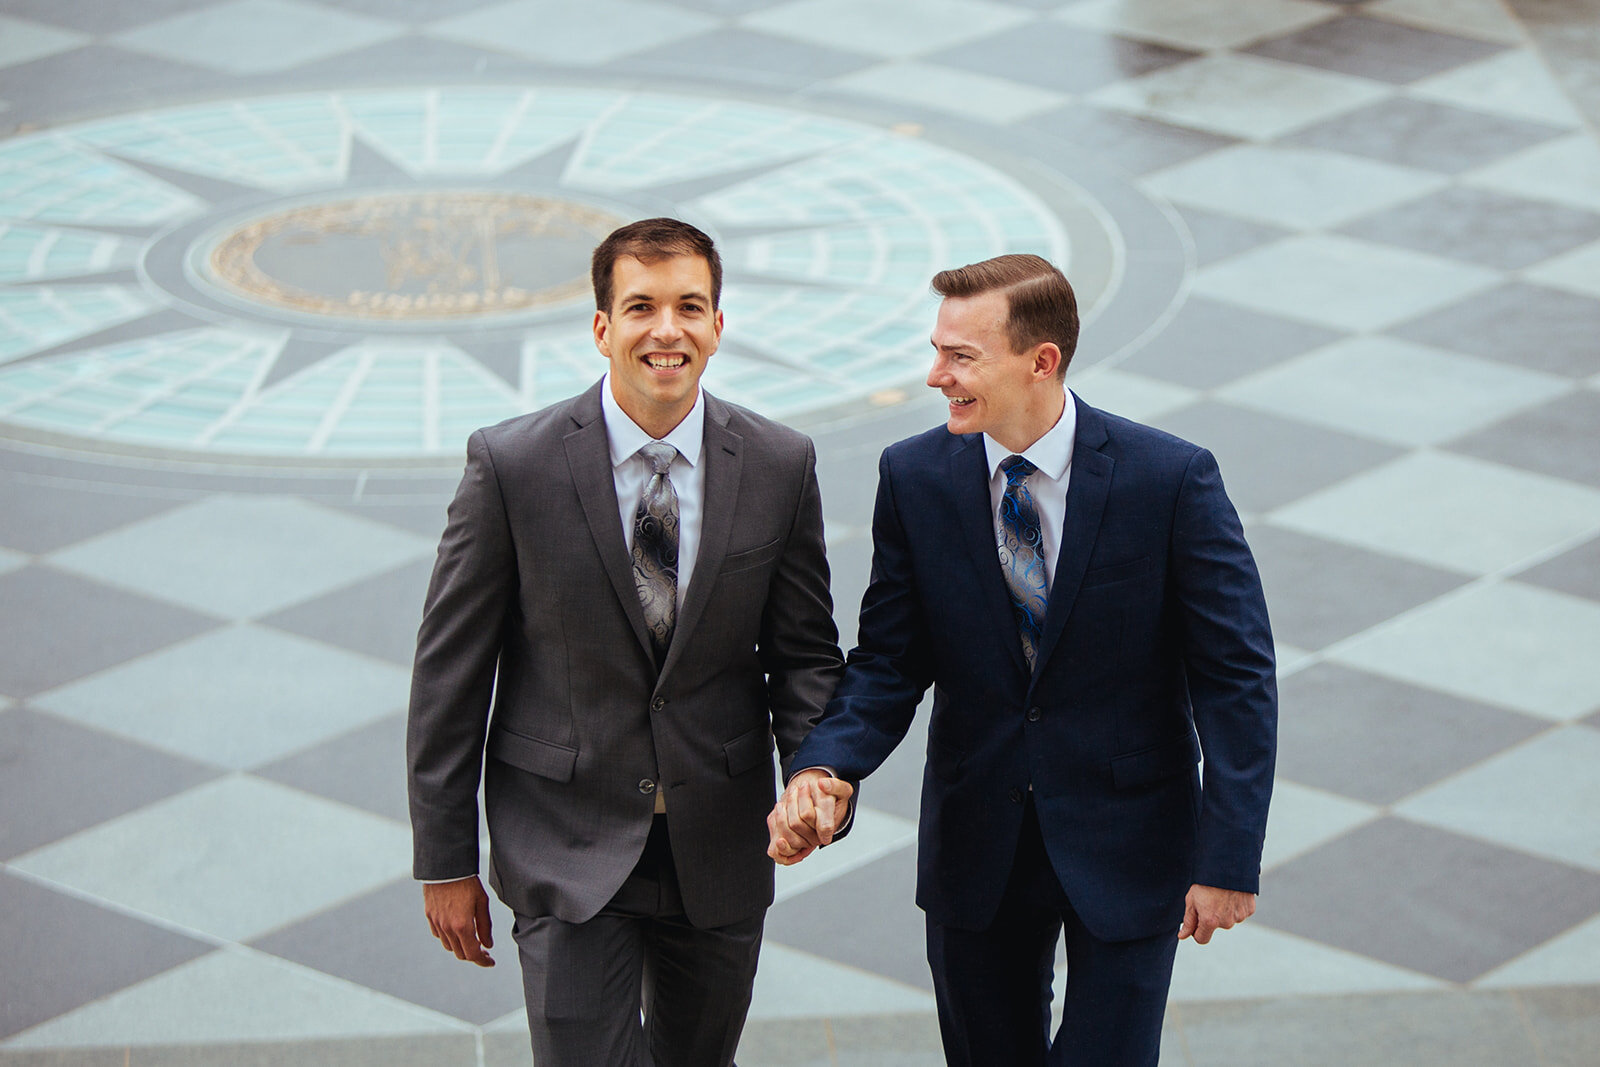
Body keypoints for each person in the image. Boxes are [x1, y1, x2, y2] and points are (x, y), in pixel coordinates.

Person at [768, 254, 1276, 1066]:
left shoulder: (1171, 477)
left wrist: (1228, 854)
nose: (936, 375)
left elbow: (1237, 677)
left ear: (1042, 361)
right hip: (978, 845)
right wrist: (828, 764)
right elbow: (891, 659)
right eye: (937, 350)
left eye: (961, 356)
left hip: (1132, 843)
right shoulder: (913, 476)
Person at [407, 217, 844, 1066]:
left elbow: (804, 656)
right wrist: (445, 857)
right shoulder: (511, 466)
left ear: (719, 323)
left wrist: (816, 772)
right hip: (564, 844)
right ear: (603, 326)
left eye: (690, 305)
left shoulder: (781, 463)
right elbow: (450, 674)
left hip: (719, 844)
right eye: (641, 306)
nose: (667, 329)